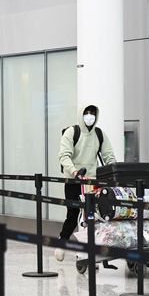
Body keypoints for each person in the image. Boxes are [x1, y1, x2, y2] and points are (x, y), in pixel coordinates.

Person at [55, 104, 116, 261]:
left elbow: (108, 156)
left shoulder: (99, 134)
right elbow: (63, 155)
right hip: (74, 180)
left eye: (93, 113)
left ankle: (88, 251)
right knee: (73, 214)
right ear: (81, 114)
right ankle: (62, 241)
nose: (90, 116)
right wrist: (74, 171)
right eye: (87, 113)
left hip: (93, 181)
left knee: (94, 216)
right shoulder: (71, 132)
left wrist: (115, 172)